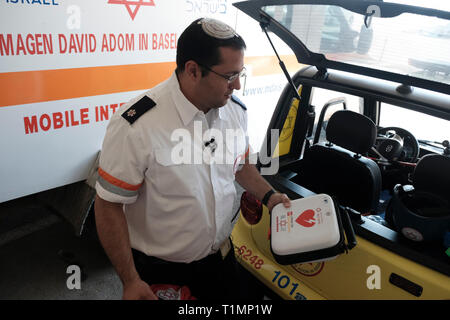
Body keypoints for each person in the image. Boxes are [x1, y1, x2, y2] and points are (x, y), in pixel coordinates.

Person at [94, 18, 291, 300]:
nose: (237, 85)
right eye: (228, 75)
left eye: (240, 73)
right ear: (193, 70)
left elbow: (241, 165)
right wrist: (130, 280)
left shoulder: (235, 112)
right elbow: (108, 205)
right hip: (163, 273)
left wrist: (270, 197)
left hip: (222, 259)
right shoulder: (137, 126)